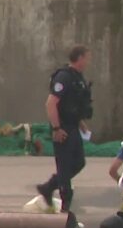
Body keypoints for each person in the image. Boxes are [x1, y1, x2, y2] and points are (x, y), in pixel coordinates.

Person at [37, 44, 93, 213]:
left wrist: (81, 124)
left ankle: (48, 187)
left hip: (73, 126)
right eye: (87, 57)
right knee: (65, 166)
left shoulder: (78, 77)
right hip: (62, 128)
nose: (89, 61)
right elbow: (51, 104)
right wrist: (56, 129)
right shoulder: (64, 77)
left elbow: (74, 104)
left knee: (78, 163)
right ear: (80, 58)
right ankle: (66, 203)